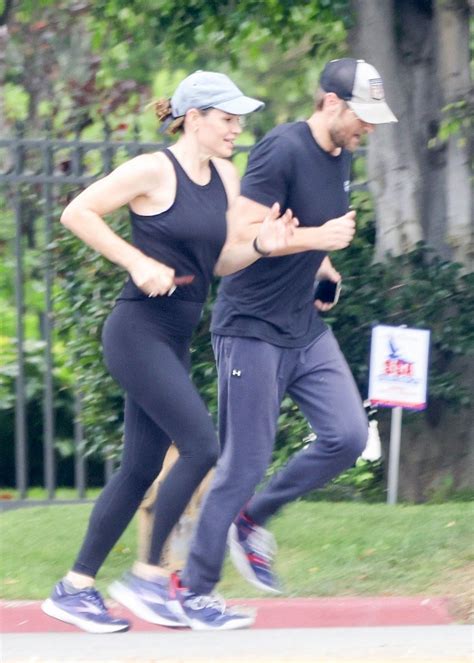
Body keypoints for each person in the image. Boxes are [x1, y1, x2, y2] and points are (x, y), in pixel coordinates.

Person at [41, 70, 297, 634]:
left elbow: (221, 260)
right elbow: (77, 212)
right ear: (196, 118)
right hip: (136, 331)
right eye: (227, 118)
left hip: (174, 337)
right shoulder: (154, 169)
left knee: (137, 468)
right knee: (202, 445)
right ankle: (147, 577)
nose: (236, 128)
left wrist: (259, 244)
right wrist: (135, 261)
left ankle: (74, 587)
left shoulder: (226, 177)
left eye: (238, 119)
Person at [168, 58, 398, 625]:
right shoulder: (280, 149)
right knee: (243, 463)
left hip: (302, 326)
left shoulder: (340, 157)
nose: (367, 129)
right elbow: (234, 244)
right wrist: (318, 238)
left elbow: (295, 228)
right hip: (250, 329)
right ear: (329, 103)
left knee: (347, 435)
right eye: (360, 117)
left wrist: (321, 265)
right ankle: (194, 589)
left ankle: (251, 521)